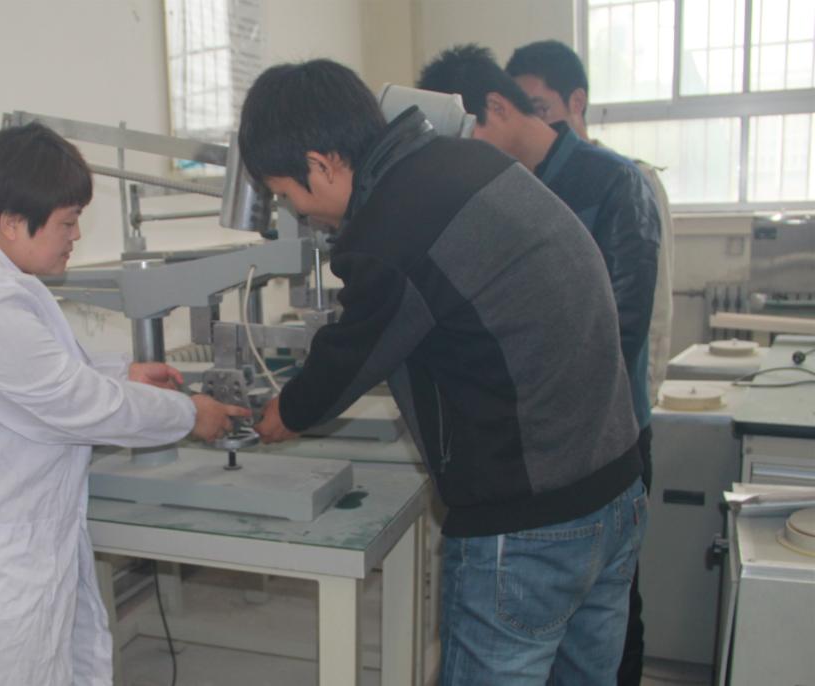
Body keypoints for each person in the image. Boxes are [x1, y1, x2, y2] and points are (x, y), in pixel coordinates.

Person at [241, 58, 647, 685]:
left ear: (320, 164)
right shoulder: (468, 161)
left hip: (529, 524)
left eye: (286, 194)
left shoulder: (391, 226)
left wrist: (283, 413)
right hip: (615, 487)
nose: (297, 210)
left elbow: (350, 355)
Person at [0, 122, 250, 686]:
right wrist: (190, 415)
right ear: (13, 221)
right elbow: (76, 403)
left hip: (16, 544)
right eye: (67, 221)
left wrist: (124, 372)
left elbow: (43, 373)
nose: (77, 234)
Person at [419, 44, 664, 685]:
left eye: (461, 135)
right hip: (529, 467)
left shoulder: (613, 183)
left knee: (606, 634)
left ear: (496, 107)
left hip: (603, 448)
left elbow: (620, 328)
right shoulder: (493, 191)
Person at [504, 40, 675, 686]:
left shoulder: (624, 182)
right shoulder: (526, 185)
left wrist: (633, 413)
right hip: (552, 438)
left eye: (540, 106)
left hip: (616, 430)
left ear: (576, 101)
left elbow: (645, 321)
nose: (531, 123)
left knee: (613, 603)